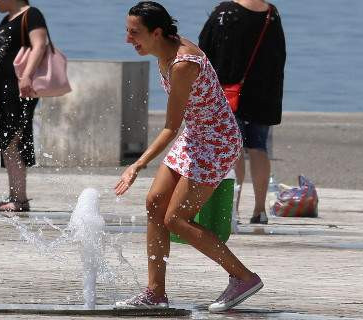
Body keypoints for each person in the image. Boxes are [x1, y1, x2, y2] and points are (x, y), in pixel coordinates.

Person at [114, 1, 263, 312]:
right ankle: (155, 292)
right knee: (155, 203)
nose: (128, 39)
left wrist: (136, 166)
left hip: (217, 142)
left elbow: (170, 127)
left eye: (134, 33)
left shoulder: (183, 64)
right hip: (196, 135)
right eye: (127, 32)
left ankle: (243, 277)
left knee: (176, 219)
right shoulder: (162, 52)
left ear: (156, 32)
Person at [199, 0, 286, 224]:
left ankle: (232, 209)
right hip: (263, 93)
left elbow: (206, 49)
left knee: (233, 148)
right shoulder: (271, 14)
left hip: (230, 91)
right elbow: (279, 56)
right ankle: (260, 210)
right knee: (258, 147)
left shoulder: (225, 12)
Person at [0, 0, 49, 212]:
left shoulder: (31, 14)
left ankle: (19, 199)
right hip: (3, 88)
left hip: (20, 87)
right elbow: (5, 50)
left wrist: (27, 76)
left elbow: (39, 44)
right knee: (7, 141)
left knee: (14, 139)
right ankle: (15, 195)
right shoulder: (7, 19)